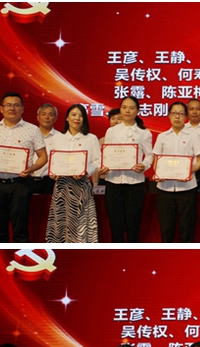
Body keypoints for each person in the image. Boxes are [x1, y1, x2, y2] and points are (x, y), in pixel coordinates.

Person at [0, 92, 48, 242]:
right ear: (1, 109)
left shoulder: (33, 130)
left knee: (20, 229)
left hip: (20, 184)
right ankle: (0, 255)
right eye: (8, 105)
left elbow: (43, 156)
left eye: (16, 105)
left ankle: (21, 255)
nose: (12, 108)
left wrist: (31, 169)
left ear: (22, 109)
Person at [98, 95, 152, 243]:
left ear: (137, 111)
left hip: (135, 183)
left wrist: (144, 165)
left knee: (133, 224)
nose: (127, 111)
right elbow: (107, 154)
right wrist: (103, 167)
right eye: (124, 107)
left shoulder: (144, 133)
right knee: (115, 224)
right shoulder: (112, 131)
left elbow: (150, 155)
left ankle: (133, 253)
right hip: (113, 182)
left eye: (131, 108)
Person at [45, 104, 100, 243]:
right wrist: (52, 173)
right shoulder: (57, 138)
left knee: (81, 224)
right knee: (61, 224)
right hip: (62, 187)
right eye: (74, 115)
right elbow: (52, 160)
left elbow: (97, 161)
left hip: (81, 186)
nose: (77, 118)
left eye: (81, 116)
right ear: (67, 118)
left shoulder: (91, 138)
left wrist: (86, 171)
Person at [152, 101, 200, 243]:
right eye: (174, 113)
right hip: (164, 188)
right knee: (166, 227)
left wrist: (188, 171)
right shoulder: (162, 136)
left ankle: (186, 255)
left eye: (181, 114)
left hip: (187, 188)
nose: (177, 117)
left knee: (187, 226)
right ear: (169, 116)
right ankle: (167, 254)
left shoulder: (193, 136)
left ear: (186, 117)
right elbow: (156, 160)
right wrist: (158, 173)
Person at [31, 103, 58, 194]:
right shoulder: (29, 136)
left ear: (55, 118)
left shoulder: (60, 138)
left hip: (50, 182)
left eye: (50, 115)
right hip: (28, 180)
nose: (47, 117)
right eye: (43, 114)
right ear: (38, 117)